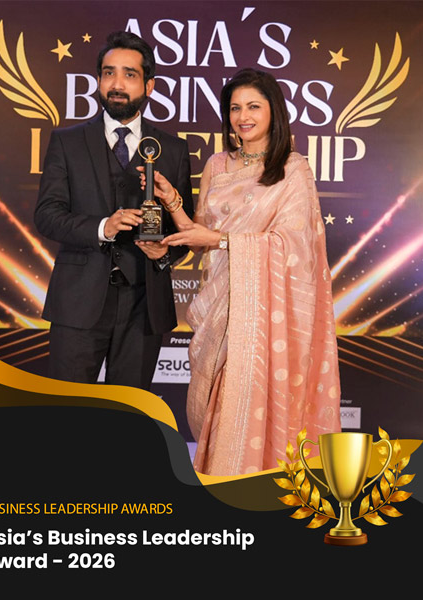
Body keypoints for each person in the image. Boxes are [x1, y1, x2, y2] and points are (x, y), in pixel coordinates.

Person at [142, 68, 341, 476]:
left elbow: (295, 246)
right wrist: (173, 202)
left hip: (265, 318)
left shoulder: (293, 169)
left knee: (249, 400)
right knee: (213, 409)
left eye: (253, 107)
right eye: (235, 108)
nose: (242, 117)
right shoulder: (218, 164)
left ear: (273, 111)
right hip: (218, 309)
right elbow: (200, 235)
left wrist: (222, 240)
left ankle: (253, 486)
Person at [34, 31, 193, 389]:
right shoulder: (67, 142)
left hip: (144, 307)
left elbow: (184, 231)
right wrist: (103, 227)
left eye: (129, 74)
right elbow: (47, 215)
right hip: (77, 303)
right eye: (109, 73)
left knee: (128, 415)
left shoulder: (172, 149)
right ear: (98, 80)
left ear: (149, 86)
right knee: (66, 410)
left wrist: (166, 251)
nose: (117, 84)